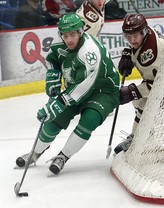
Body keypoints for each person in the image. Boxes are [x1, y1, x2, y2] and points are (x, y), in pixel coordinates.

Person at [15, 13, 120, 175]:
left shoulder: (90, 52)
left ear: (80, 32)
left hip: (103, 90)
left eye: (72, 35)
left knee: (89, 119)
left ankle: (63, 156)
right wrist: (52, 77)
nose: (68, 40)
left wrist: (57, 103)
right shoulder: (60, 42)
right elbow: (53, 60)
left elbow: (83, 87)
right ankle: (35, 153)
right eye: (65, 35)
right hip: (75, 88)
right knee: (54, 120)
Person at [113, 13, 164, 155]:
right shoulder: (146, 34)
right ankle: (141, 134)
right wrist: (129, 54)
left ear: (143, 31)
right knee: (140, 101)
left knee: (142, 100)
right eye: (128, 37)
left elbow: (158, 85)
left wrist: (131, 91)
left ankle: (140, 136)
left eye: (135, 36)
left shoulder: (151, 54)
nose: (132, 40)